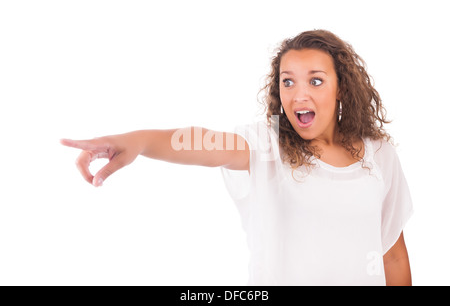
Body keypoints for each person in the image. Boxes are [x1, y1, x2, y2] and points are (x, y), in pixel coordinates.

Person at [60, 29, 413, 286]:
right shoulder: (266, 145)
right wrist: (137, 141)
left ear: (342, 88)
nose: (299, 94)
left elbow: (393, 253)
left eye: (316, 81)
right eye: (287, 82)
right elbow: (201, 142)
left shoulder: (379, 155)